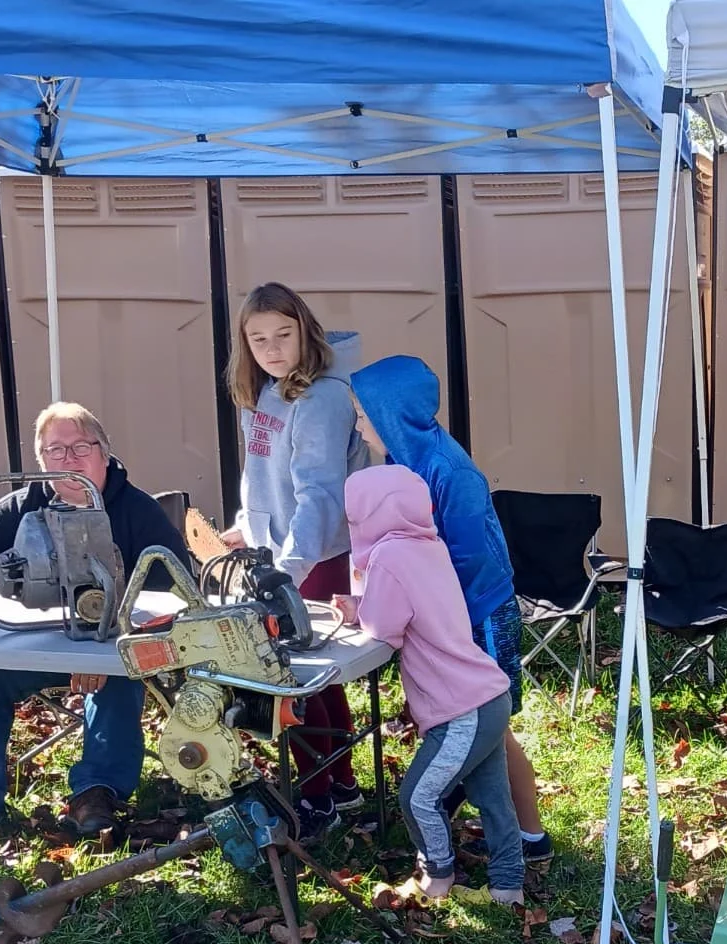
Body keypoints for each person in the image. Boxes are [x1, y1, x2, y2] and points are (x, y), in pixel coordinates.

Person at [0, 403, 193, 845]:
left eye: (80, 446)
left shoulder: (136, 510)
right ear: (41, 461)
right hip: (36, 644)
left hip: (117, 641)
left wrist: (105, 646)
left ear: (104, 453)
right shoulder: (23, 503)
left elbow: (179, 583)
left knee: (121, 675)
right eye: (55, 451)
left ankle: (96, 795)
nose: (68, 459)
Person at [348, 355, 554, 866]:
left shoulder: (448, 471)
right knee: (473, 727)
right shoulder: (403, 461)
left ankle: (531, 836)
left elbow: (468, 561)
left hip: (478, 613)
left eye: (363, 413)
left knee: (490, 724)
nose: (357, 423)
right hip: (450, 612)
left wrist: (436, 617)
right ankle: (478, 817)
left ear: (392, 413)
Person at [220, 282, 368, 838]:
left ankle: (317, 795)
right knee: (316, 680)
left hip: (312, 557)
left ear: (306, 330)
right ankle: (342, 784)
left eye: (284, 335)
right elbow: (262, 474)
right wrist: (246, 523)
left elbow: (320, 492)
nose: (273, 348)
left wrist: (293, 564)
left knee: (293, 677)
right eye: (258, 339)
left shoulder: (321, 397)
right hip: (274, 554)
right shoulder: (267, 392)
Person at [343, 465, 523, 904]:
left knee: (418, 797)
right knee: (493, 799)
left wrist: (356, 608)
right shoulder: (428, 544)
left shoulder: (387, 555)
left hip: (458, 710)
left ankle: (436, 876)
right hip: (487, 694)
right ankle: (508, 886)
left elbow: (384, 626)